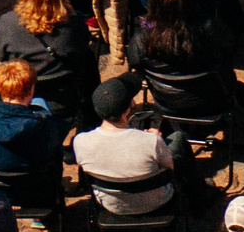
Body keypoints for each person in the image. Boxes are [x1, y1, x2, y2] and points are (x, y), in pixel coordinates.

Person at [72, 75, 173, 213]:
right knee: (177, 139)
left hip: (111, 205)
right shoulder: (151, 141)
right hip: (156, 203)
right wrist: (155, 140)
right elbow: (170, 167)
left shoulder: (80, 142)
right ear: (128, 108)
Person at [0, 61, 60, 181]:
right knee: (40, 103)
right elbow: (55, 161)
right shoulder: (46, 127)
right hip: (33, 191)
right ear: (32, 88)